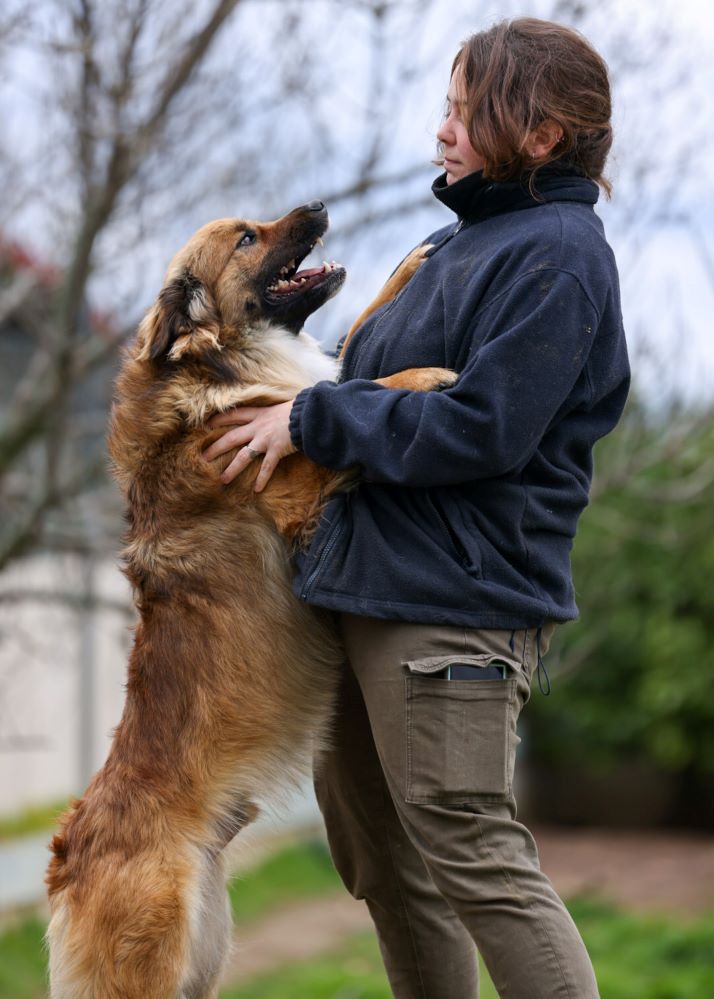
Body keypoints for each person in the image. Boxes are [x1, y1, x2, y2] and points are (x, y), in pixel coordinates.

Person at [204, 17, 629, 998]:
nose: (443, 130)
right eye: (447, 107)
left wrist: (314, 420)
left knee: (472, 852)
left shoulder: (559, 257)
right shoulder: (455, 243)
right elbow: (367, 382)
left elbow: (485, 428)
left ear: (544, 133)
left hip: (453, 601)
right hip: (363, 587)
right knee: (386, 865)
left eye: (467, 111)